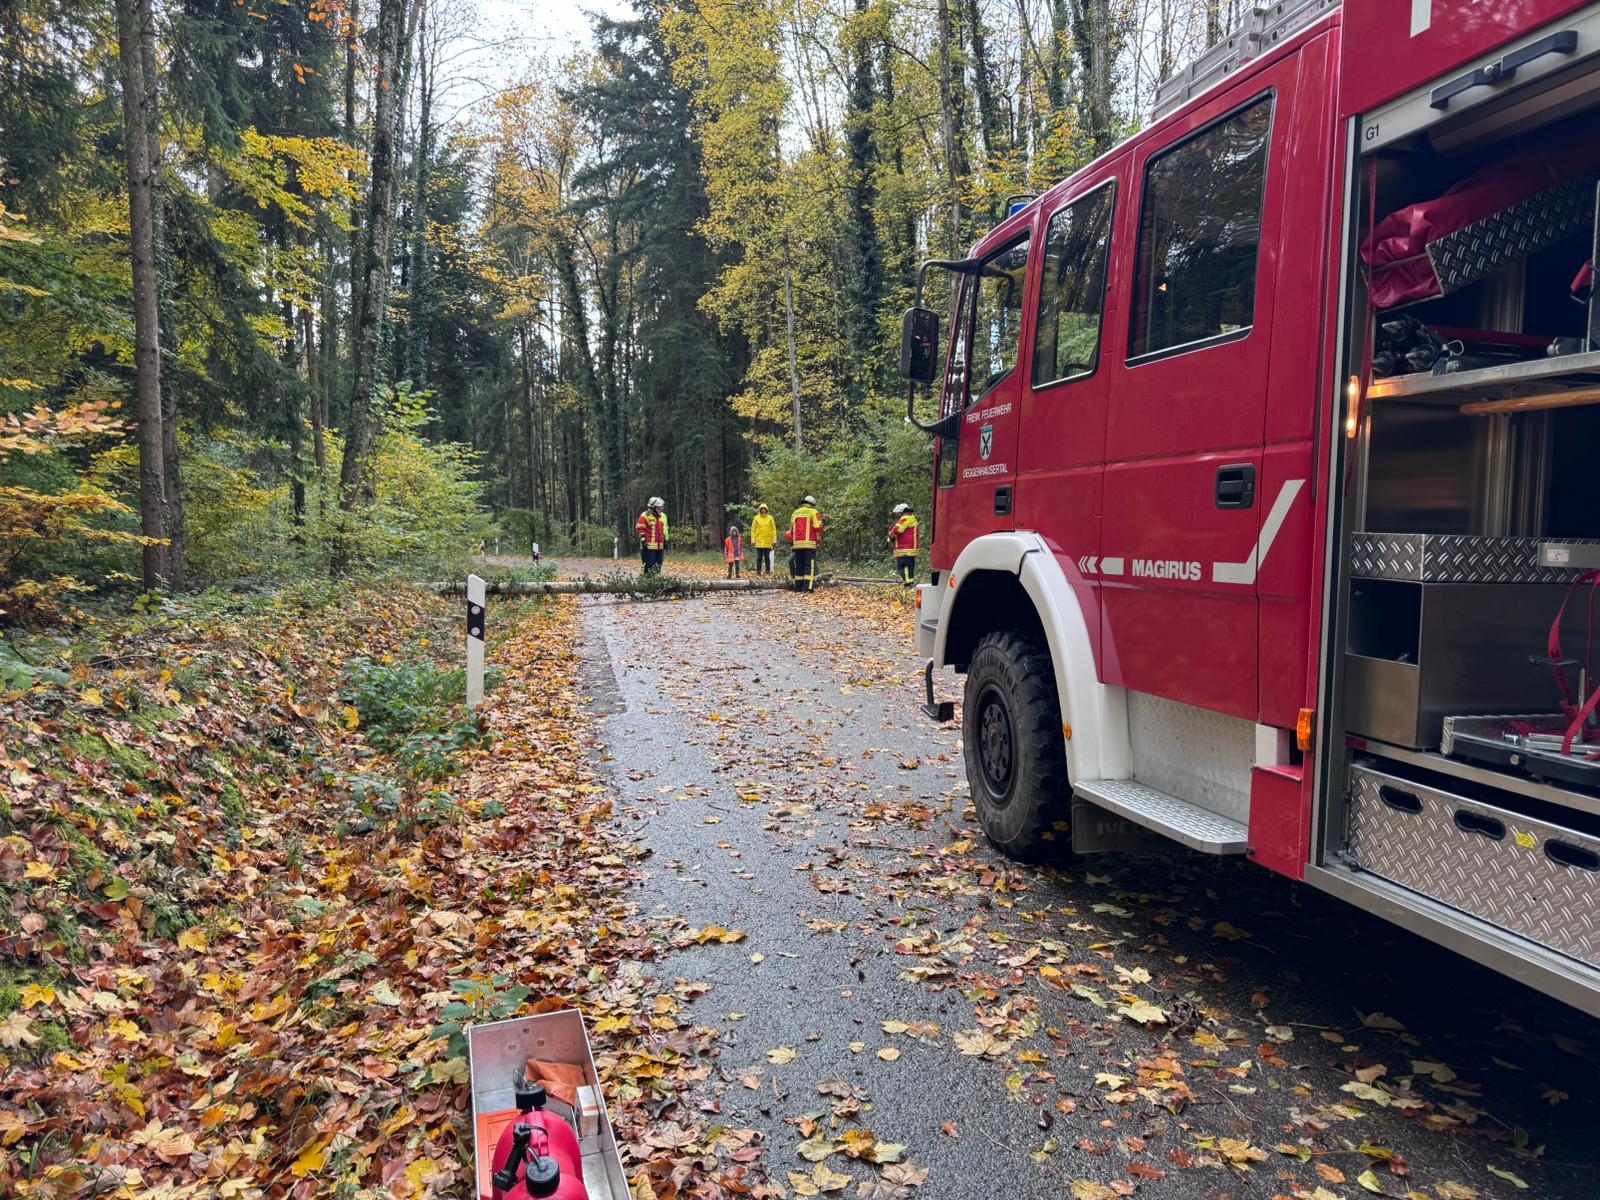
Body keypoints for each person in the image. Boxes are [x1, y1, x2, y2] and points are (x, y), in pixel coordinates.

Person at [786, 495, 823, 592]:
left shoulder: (795, 513)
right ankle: (807, 588)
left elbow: (791, 530)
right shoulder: (813, 512)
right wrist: (818, 540)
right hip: (809, 544)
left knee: (799, 566)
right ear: (812, 504)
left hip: (797, 544)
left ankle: (798, 588)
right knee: (809, 566)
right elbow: (818, 526)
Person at [887, 503, 918, 586]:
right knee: (909, 568)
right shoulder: (911, 519)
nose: (898, 515)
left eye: (899, 513)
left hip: (904, 549)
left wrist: (890, 535)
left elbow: (897, 530)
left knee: (903, 568)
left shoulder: (905, 518)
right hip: (909, 549)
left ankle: (908, 585)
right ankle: (909, 583)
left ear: (902, 512)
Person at [636, 497, 668, 575]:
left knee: (658, 567)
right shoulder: (645, 515)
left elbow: (662, 531)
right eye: (659, 508)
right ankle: (645, 583)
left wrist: (665, 541)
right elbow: (640, 528)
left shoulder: (661, 517)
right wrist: (643, 540)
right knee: (648, 567)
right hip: (648, 547)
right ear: (653, 507)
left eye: (662, 507)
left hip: (659, 547)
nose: (661, 509)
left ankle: (655, 584)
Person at [750, 503, 777, 575]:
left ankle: (768, 572)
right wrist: (753, 540)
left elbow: (774, 529)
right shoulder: (756, 518)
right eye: (762, 509)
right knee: (759, 557)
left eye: (764, 509)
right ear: (760, 510)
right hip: (759, 541)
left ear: (766, 510)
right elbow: (753, 529)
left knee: (767, 557)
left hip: (768, 541)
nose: (763, 510)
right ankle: (758, 572)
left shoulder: (770, 518)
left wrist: (774, 540)